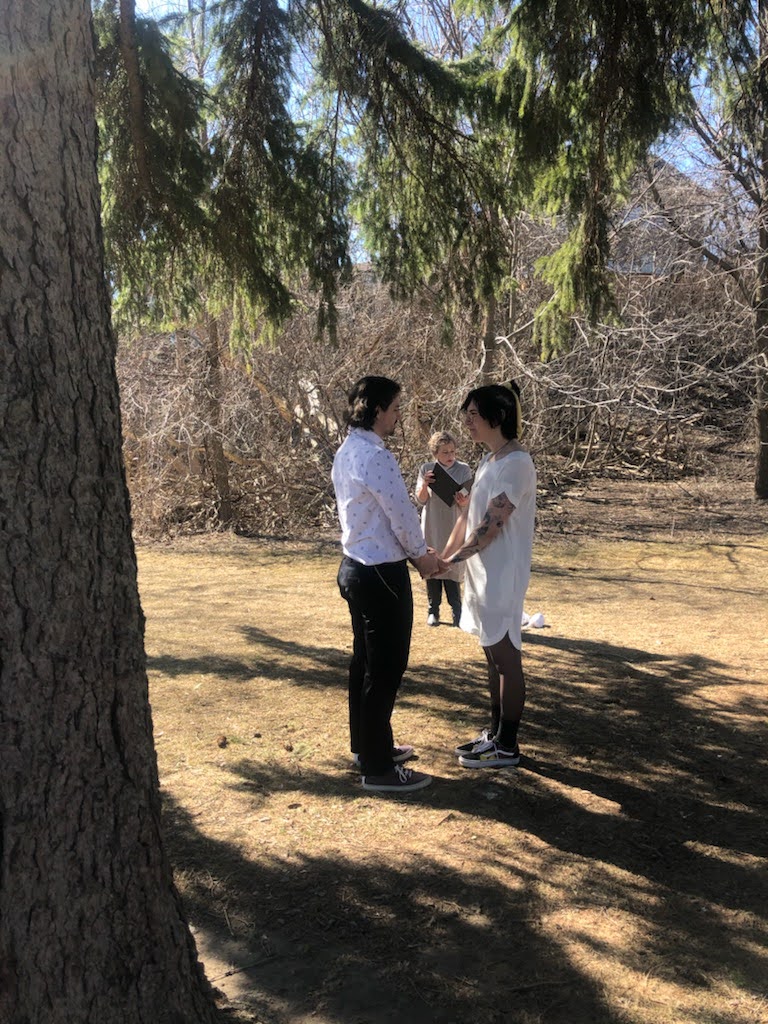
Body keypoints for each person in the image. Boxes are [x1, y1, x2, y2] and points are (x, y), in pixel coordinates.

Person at [332, 376, 438, 793]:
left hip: (357, 568)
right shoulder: (375, 456)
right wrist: (423, 557)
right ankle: (377, 768)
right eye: (394, 409)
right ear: (376, 410)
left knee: (365, 664)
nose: (398, 417)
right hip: (380, 573)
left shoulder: (349, 449)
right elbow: (401, 515)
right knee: (385, 669)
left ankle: (369, 746)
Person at [438, 381, 536, 769]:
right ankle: (494, 734)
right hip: (480, 575)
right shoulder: (490, 460)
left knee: (506, 657)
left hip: (502, 575)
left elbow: (492, 526)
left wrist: (452, 560)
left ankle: (507, 746)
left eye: (473, 414)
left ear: (498, 416)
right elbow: (470, 518)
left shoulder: (516, 463)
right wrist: (446, 556)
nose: (466, 421)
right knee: (491, 655)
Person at [415, 431, 473, 627]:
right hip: (432, 523)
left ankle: (457, 612)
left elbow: (468, 501)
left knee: (452, 566)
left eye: (452, 451)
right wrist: (425, 484)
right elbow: (421, 499)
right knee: (432, 565)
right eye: (445, 452)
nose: (450, 456)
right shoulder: (427, 468)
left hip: (454, 523)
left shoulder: (464, 470)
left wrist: (463, 500)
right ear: (435, 453)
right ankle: (433, 610)